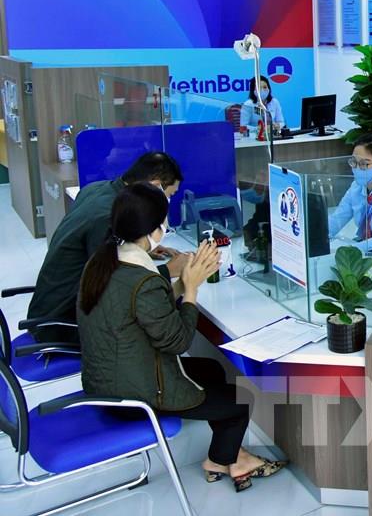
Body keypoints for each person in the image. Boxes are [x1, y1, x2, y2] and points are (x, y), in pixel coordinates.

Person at [77, 183, 288, 492]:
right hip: (132, 394)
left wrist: (182, 281)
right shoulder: (142, 279)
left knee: (212, 370)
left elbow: (144, 309)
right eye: (164, 221)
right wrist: (191, 288)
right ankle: (220, 460)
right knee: (241, 400)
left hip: (108, 378)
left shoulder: (104, 261)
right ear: (153, 230)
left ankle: (232, 454)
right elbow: (177, 341)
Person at [27, 152, 188, 345]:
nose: (168, 201)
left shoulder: (96, 190)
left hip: (48, 308)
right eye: (170, 195)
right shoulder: (107, 216)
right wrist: (169, 270)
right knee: (153, 329)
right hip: (63, 323)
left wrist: (140, 244)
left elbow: (100, 252)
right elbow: (113, 288)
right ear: (155, 186)